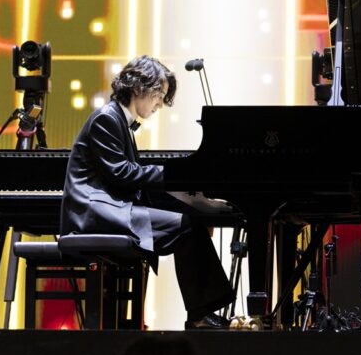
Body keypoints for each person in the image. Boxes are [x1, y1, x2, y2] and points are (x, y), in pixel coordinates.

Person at [60, 55, 233, 329]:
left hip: (110, 208)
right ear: (139, 87)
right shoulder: (106, 119)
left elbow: (130, 179)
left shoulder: (118, 120)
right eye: (159, 95)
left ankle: (201, 313)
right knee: (186, 227)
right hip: (95, 213)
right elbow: (121, 173)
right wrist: (173, 176)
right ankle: (200, 316)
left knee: (190, 222)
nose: (161, 104)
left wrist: (190, 202)